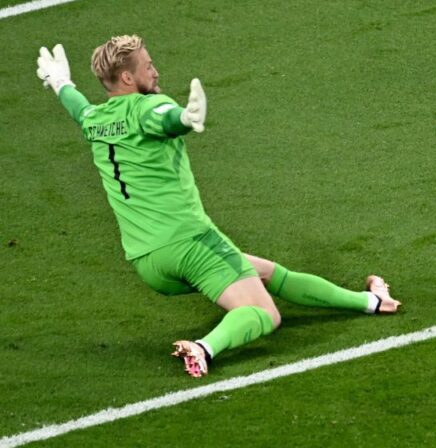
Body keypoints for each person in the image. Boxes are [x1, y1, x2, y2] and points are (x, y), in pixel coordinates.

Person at [34, 35, 401, 378]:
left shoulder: (96, 120)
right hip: (190, 242)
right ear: (128, 77)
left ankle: (371, 302)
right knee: (264, 314)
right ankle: (204, 349)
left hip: (147, 261)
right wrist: (184, 119)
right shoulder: (150, 105)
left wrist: (60, 82)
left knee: (266, 272)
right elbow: (161, 119)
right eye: (148, 66)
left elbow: (78, 109)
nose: (156, 71)